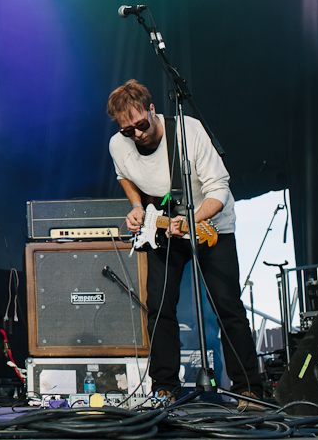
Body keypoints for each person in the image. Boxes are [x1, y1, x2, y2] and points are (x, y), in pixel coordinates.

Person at [107, 79, 261, 409]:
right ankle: (164, 387)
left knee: (227, 306)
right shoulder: (119, 145)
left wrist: (191, 221)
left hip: (211, 225)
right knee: (159, 307)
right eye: (127, 130)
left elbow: (219, 187)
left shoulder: (186, 132)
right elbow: (125, 174)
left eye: (141, 125)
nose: (137, 134)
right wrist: (136, 206)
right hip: (163, 226)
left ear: (152, 110)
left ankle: (249, 388)